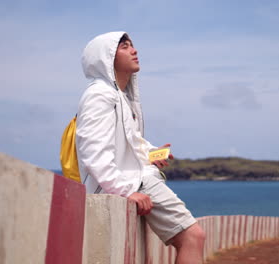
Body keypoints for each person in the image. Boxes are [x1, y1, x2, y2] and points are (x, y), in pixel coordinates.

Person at [76, 31, 206, 263]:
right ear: (105, 57)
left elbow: (129, 141)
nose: (134, 50)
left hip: (137, 179)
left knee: (193, 237)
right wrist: (125, 191)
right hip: (134, 183)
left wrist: (151, 153)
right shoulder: (100, 95)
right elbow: (93, 151)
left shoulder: (119, 97)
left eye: (132, 46)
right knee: (192, 237)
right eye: (124, 47)